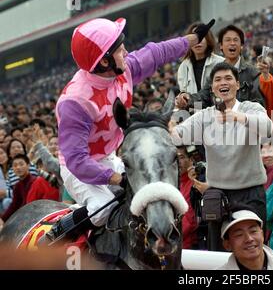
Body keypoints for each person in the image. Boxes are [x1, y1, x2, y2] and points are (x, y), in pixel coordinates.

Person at [45, 17, 215, 242]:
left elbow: (156, 53)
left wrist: (192, 39)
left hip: (109, 156)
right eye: (119, 48)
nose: (126, 52)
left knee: (147, 192)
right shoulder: (75, 103)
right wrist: (116, 178)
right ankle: (63, 227)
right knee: (103, 209)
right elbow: (76, 160)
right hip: (79, 167)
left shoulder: (123, 69)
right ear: (105, 62)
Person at [173, 62, 272, 250]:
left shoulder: (251, 108)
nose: (223, 83)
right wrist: (171, 120)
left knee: (252, 249)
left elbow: (268, 128)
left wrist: (237, 118)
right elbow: (177, 135)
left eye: (228, 78)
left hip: (249, 193)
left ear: (237, 84)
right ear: (212, 89)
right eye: (217, 80)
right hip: (216, 194)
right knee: (218, 251)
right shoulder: (204, 116)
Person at [177, 22, 224, 95]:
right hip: (194, 106)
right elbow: (183, 91)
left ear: (208, 39)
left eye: (201, 37)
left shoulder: (221, 63)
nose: (198, 42)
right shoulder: (183, 67)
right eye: (194, 38)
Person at [0, 154, 36, 222]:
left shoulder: (34, 182)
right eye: (15, 165)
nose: (18, 167)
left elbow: (28, 205)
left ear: (28, 165)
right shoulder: (18, 186)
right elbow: (14, 205)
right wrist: (2, 219)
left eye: (21, 164)